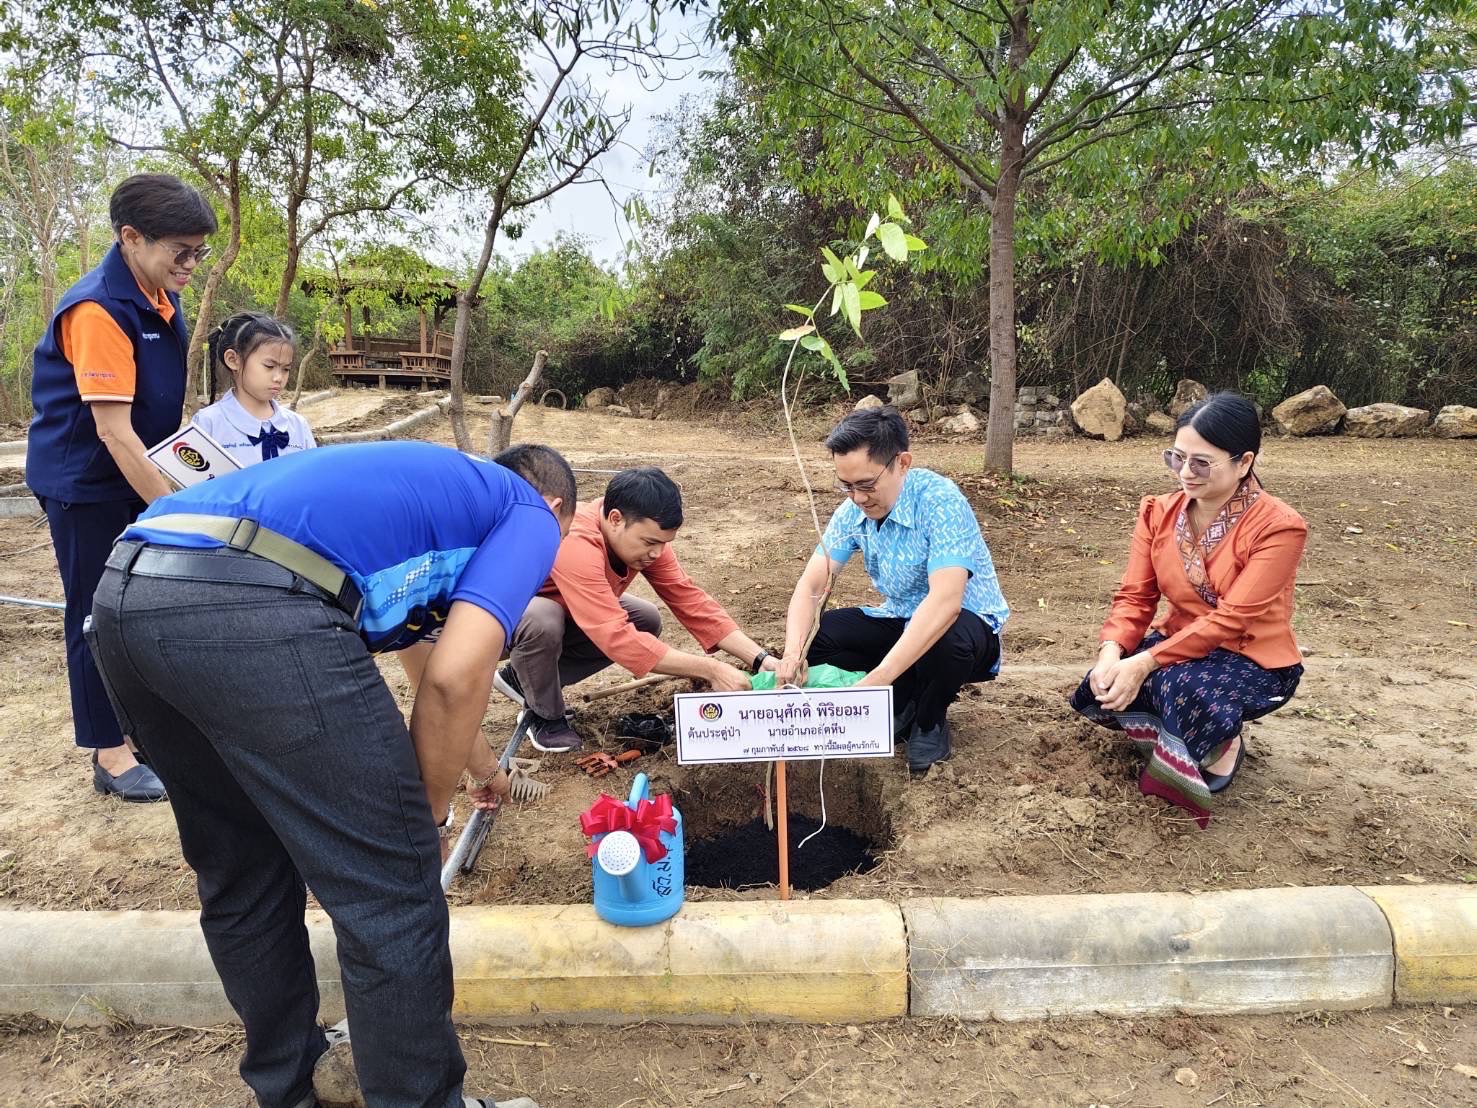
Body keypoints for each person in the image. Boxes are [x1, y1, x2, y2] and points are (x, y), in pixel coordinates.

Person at [86, 440, 573, 1108]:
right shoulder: (530, 514)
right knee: (393, 892)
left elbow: (431, 661)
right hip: (250, 604)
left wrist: (480, 768)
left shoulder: (421, 502)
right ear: (554, 508)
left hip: (127, 594)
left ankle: (289, 1090)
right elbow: (461, 678)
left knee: (241, 868)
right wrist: (423, 822)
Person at [26, 172, 217, 803]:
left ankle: (142, 726)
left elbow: (159, 410)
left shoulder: (160, 295)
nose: (191, 264)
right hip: (87, 484)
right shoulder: (98, 309)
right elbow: (113, 430)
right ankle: (109, 753)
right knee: (94, 612)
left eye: (199, 251)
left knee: (144, 603)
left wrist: (199, 473)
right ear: (131, 237)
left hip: (134, 472)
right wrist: (175, 507)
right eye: (180, 251)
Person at [1069, 392, 1307, 827]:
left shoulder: (1279, 526)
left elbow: (1232, 619)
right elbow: (1136, 596)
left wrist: (1145, 661)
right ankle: (1180, 731)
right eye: (1176, 458)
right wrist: (1112, 652)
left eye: (1201, 463)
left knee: (1180, 687)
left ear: (1244, 461)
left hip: (1251, 655)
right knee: (1102, 682)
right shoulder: (1158, 512)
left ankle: (1224, 741)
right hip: (1180, 641)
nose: (1184, 473)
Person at [479, 466, 778, 753]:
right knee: (542, 619)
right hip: (499, 622)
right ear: (615, 518)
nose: (657, 553)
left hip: (570, 609)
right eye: (649, 542)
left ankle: (521, 680)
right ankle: (544, 715)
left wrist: (759, 658)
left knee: (644, 618)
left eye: (664, 543)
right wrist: (711, 669)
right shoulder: (576, 541)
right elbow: (615, 636)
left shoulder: (648, 538)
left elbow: (689, 599)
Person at [776, 406, 1009, 772]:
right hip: (900, 619)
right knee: (819, 637)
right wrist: (792, 654)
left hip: (964, 627)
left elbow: (946, 602)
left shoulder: (940, 501)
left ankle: (929, 718)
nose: (858, 497)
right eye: (846, 486)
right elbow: (812, 584)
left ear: (902, 463)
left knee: (947, 638)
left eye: (867, 485)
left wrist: (877, 680)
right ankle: (903, 697)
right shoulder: (852, 510)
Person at [192, 312, 316, 467]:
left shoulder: (297, 425)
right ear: (233, 360)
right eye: (269, 366)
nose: (278, 377)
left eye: (286, 369)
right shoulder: (209, 423)